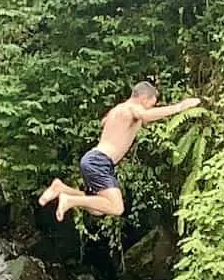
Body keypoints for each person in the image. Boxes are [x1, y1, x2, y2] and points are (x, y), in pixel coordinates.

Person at [39, 81, 200, 222]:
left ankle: (61, 189)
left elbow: (106, 122)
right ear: (143, 99)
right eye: (152, 103)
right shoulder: (133, 108)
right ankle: (69, 200)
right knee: (117, 208)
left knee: (97, 208)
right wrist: (180, 107)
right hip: (99, 162)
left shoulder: (118, 109)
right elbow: (145, 115)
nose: (152, 107)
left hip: (94, 159)